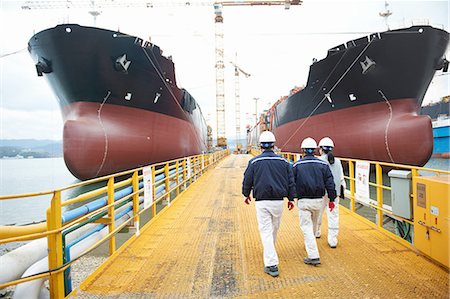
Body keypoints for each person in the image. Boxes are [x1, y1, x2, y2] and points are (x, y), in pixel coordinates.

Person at [242, 131, 296, 277]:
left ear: (260, 145)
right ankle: (269, 252)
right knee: (273, 229)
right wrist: (291, 198)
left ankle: (271, 264)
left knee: (266, 231)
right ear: (274, 145)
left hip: (262, 201)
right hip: (278, 201)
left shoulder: (254, 162)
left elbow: (247, 180)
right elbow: (291, 182)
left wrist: (246, 194)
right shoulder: (284, 162)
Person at [292, 137, 336, 265]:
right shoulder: (323, 165)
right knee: (313, 226)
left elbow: (291, 183)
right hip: (319, 201)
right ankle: (310, 244)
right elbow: (330, 184)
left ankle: (313, 255)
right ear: (316, 150)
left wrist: (291, 197)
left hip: (304, 201)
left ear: (303, 150)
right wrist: (332, 199)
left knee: (306, 227)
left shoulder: (296, 165)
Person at [316, 137, 346, 248]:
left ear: (321, 149)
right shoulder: (338, 161)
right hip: (334, 193)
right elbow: (342, 178)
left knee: (318, 213)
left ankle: (317, 232)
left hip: (322, 193)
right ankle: (333, 240)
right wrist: (341, 191)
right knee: (333, 215)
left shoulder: (318, 161)